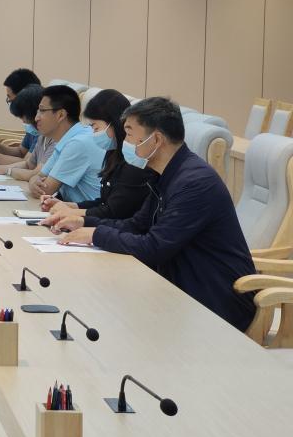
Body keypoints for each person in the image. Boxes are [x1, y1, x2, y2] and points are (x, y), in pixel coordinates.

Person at [59, 97, 256, 331]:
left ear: (157, 139)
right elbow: (137, 225)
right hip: (180, 285)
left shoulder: (194, 183)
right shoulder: (165, 174)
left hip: (214, 298)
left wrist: (95, 234)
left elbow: (154, 247)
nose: (125, 142)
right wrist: (83, 222)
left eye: (129, 134)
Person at [40, 89, 157, 229]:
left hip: (116, 229)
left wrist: (72, 213)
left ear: (114, 124)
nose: (93, 134)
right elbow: (104, 202)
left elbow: (115, 212)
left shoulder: (135, 162)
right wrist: (69, 206)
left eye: (96, 128)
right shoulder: (113, 154)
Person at [27, 85, 104, 202]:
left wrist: (33, 181)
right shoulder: (67, 139)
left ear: (61, 115)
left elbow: (44, 190)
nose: (36, 118)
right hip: (71, 208)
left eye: (42, 111)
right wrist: (33, 180)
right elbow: (39, 176)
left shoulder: (78, 143)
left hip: (89, 212)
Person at [0, 84, 54, 182]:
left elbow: (35, 173)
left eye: (42, 111)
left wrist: (6, 169)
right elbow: (28, 164)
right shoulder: (42, 136)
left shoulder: (55, 139)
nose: (36, 118)